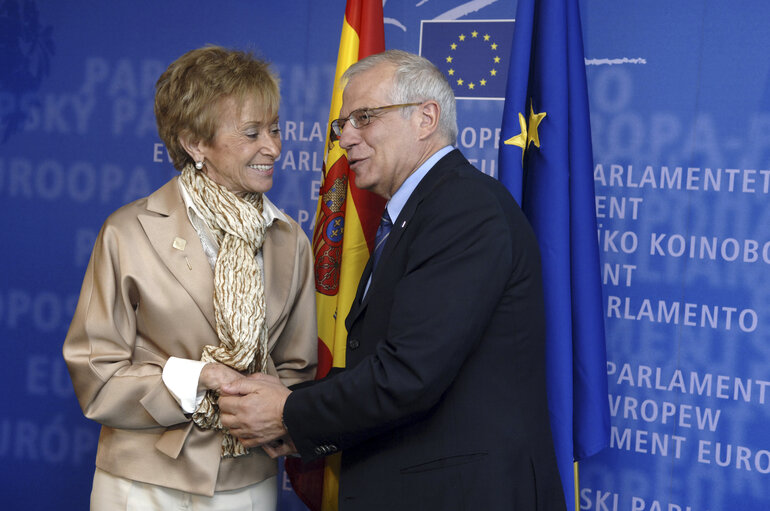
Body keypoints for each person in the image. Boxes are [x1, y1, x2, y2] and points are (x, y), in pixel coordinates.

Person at [218, 49, 566, 510]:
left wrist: (285, 411)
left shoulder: (464, 211)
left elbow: (408, 376)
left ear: (426, 118)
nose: (346, 139)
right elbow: (385, 362)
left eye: (364, 118)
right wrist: (294, 409)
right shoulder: (418, 212)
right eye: (343, 125)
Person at [62, 46, 317, 510]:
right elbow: (96, 375)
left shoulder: (289, 239)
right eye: (252, 133)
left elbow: (298, 371)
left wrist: (275, 413)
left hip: (248, 483)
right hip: (143, 484)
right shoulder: (127, 232)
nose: (274, 147)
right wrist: (198, 378)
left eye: (275, 130)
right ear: (194, 142)